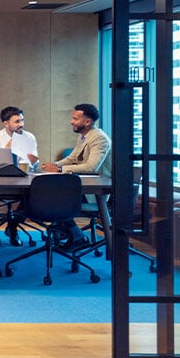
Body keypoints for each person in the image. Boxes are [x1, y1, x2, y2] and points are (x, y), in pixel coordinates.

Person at [40, 103, 112, 251]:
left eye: (75, 119)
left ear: (87, 121)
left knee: (56, 199)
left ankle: (75, 235)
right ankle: (65, 231)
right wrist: (54, 165)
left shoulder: (99, 138)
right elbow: (72, 158)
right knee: (51, 193)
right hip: (84, 185)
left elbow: (91, 167)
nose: (71, 122)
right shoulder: (84, 136)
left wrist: (60, 169)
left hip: (97, 191)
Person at [0, 106, 40, 249]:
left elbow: (33, 165)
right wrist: (9, 147)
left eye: (22, 120)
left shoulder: (29, 137)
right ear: (6, 123)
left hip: (21, 180)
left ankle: (13, 227)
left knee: (34, 193)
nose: (21, 124)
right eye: (17, 121)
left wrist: (34, 161)